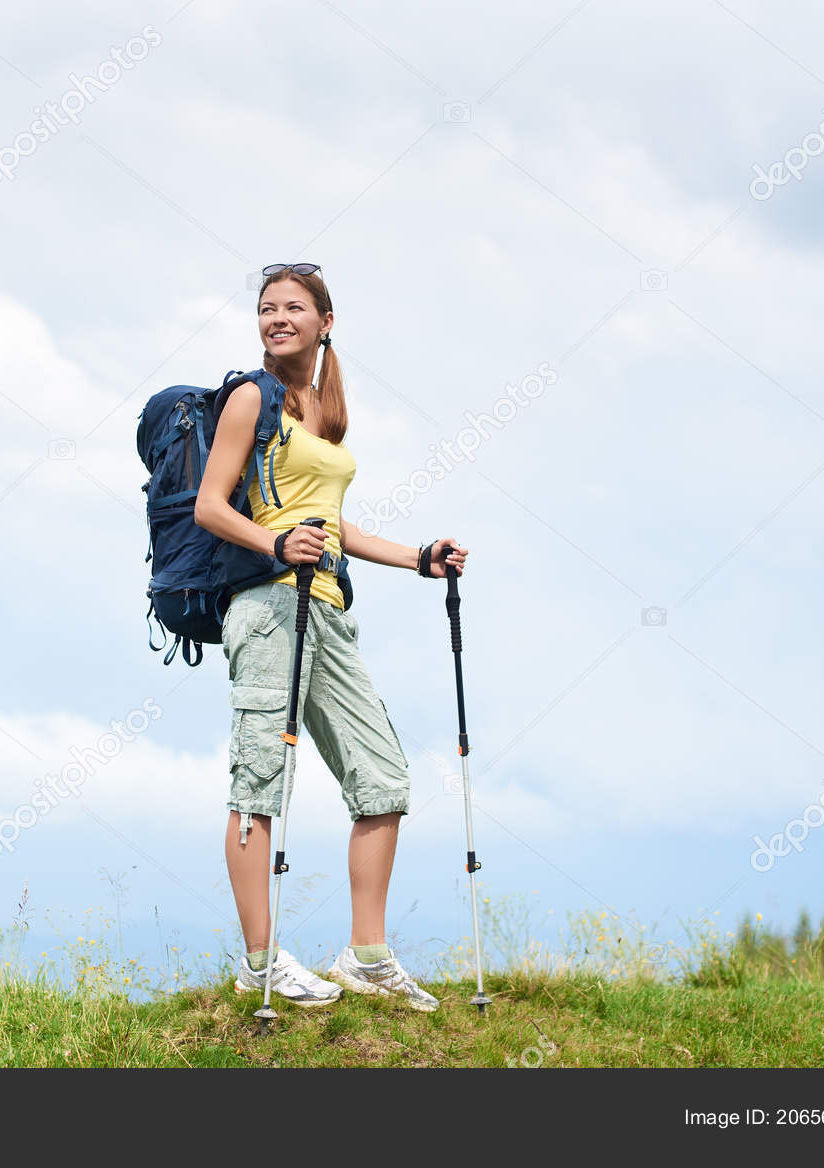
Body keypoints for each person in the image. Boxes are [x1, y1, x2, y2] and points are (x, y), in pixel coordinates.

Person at [192, 262, 466, 1011]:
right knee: (258, 787)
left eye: (292, 308)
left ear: (325, 322)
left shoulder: (319, 408)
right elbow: (211, 508)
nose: (276, 318)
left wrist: (417, 559)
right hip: (269, 609)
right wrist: (277, 547)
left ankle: (367, 956)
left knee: (382, 780)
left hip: (327, 610)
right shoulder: (252, 397)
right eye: (266, 308)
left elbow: (331, 522)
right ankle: (258, 961)